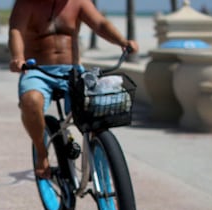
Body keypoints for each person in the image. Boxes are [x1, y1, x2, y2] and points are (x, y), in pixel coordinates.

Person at [8, 0, 138, 178]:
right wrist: (18, 57)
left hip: (72, 71)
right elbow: (16, 30)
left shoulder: (78, 2)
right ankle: (41, 152)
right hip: (37, 70)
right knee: (30, 101)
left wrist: (122, 41)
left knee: (95, 111)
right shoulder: (27, 4)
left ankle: (99, 155)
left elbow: (100, 23)